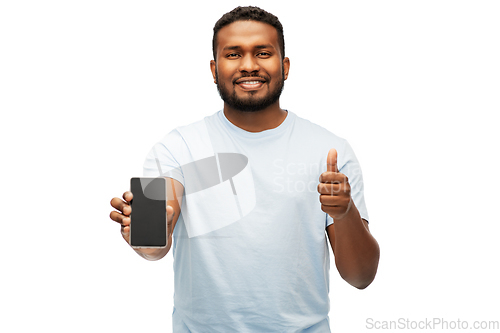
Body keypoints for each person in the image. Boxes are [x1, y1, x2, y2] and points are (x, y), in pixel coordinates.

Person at [110, 6, 380, 332]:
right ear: (214, 68)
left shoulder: (331, 151)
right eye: (234, 54)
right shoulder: (174, 148)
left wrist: (345, 211)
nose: (249, 65)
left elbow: (361, 277)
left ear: (285, 65)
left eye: (263, 53)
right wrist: (144, 232)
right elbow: (152, 244)